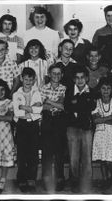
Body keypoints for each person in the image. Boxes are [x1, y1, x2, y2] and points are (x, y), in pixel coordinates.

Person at [64, 67, 96, 193]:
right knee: (74, 156)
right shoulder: (69, 91)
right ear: (74, 79)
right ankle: (74, 180)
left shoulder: (92, 92)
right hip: (72, 127)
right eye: (77, 77)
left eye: (82, 77)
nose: (80, 80)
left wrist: (77, 104)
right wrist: (80, 105)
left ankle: (87, 182)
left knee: (87, 156)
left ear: (87, 78)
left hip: (86, 127)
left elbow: (91, 106)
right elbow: (67, 107)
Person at [13, 67, 43, 193]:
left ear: (34, 80)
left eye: (31, 79)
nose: (28, 82)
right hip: (21, 125)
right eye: (25, 79)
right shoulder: (16, 94)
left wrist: (25, 107)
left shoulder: (37, 93)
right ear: (21, 79)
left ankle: (31, 179)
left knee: (33, 154)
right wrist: (32, 109)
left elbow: (39, 111)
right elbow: (18, 112)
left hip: (34, 126)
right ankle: (22, 179)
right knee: (22, 153)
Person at [40, 64, 67, 192]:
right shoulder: (43, 88)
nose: (56, 76)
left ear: (62, 75)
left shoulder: (65, 88)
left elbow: (63, 107)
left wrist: (49, 102)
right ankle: (46, 178)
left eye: (58, 73)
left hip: (59, 120)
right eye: (53, 73)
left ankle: (59, 178)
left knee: (59, 151)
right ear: (49, 74)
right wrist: (57, 103)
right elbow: (41, 107)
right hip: (47, 120)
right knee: (47, 151)